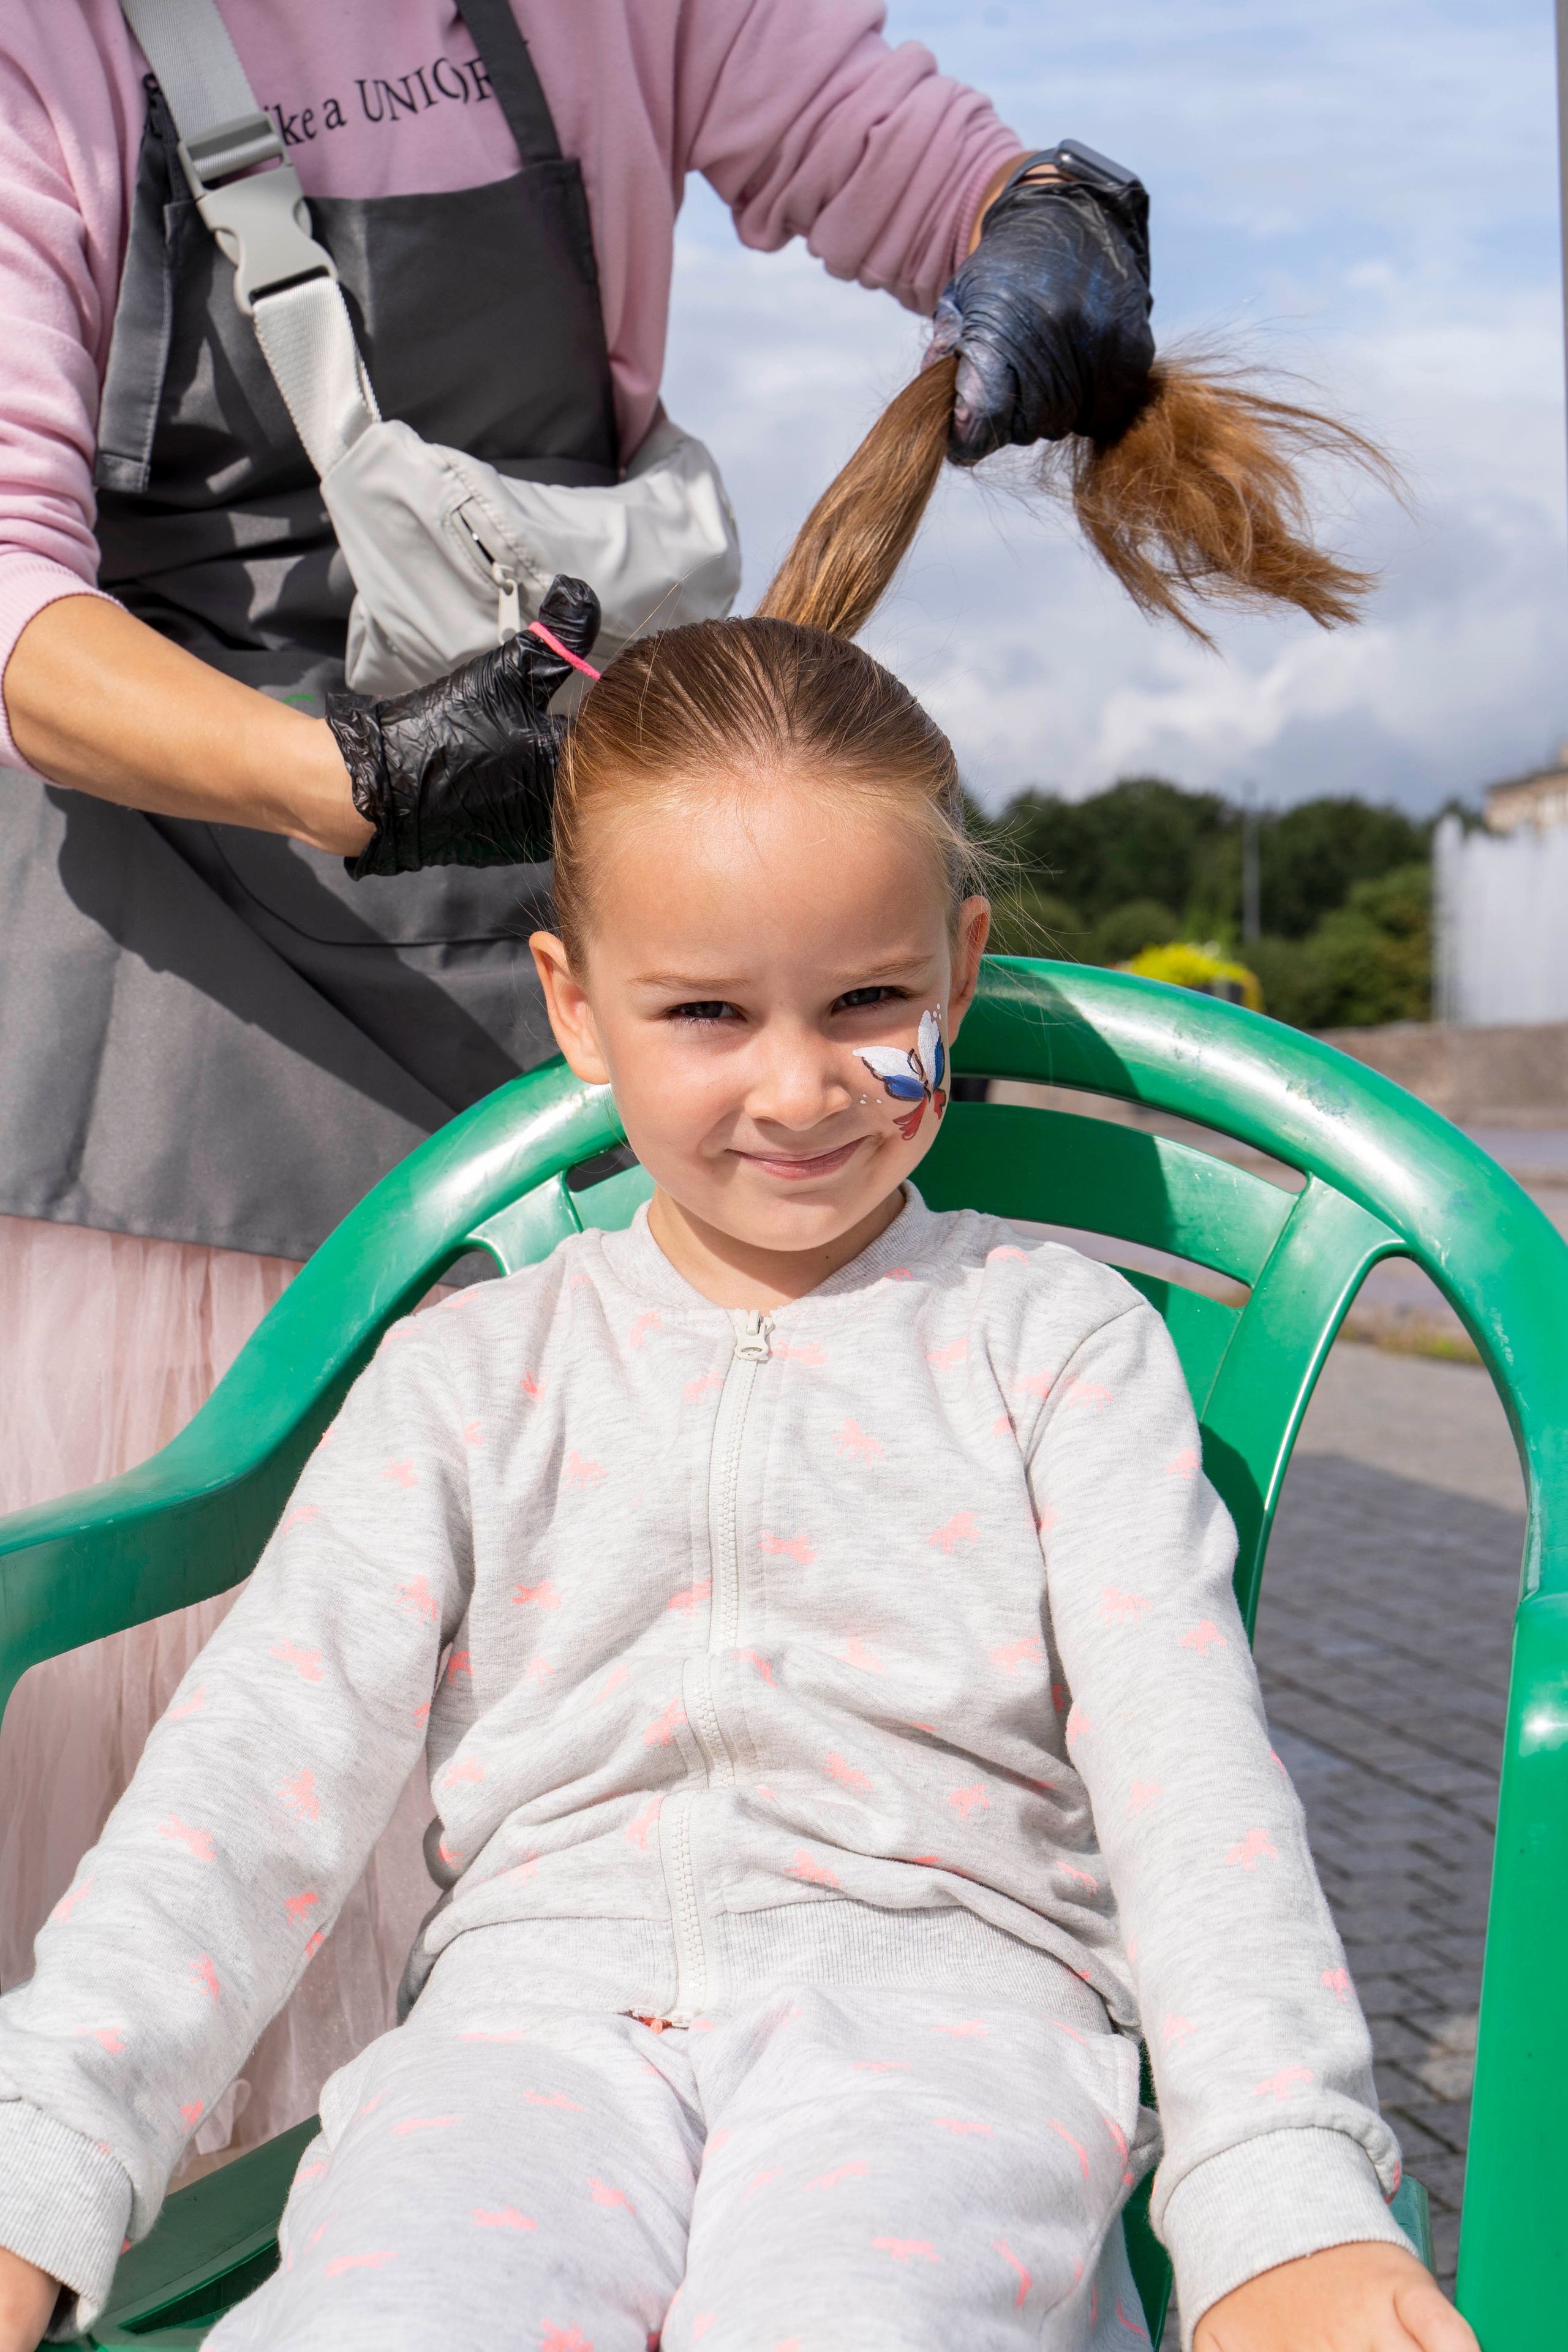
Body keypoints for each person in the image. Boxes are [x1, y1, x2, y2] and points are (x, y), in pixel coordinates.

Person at [0, 590, 1475, 2345]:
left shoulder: (1058, 1351)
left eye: (868, 1000)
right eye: (706, 1011)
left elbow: (1193, 1783)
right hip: (521, 2043)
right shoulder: (473, 1376)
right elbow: (244, 1791)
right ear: (576, 1004)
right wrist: (47, 2145)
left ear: (962, 975)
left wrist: (1274, 2183)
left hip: (951, 2048)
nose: (798, 1092)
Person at [0, 0, 1157, 2162]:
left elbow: (898, 152)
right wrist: (342, 773)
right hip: (166, 946)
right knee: (202, 1735)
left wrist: (1043, 215)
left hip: (535, 928)